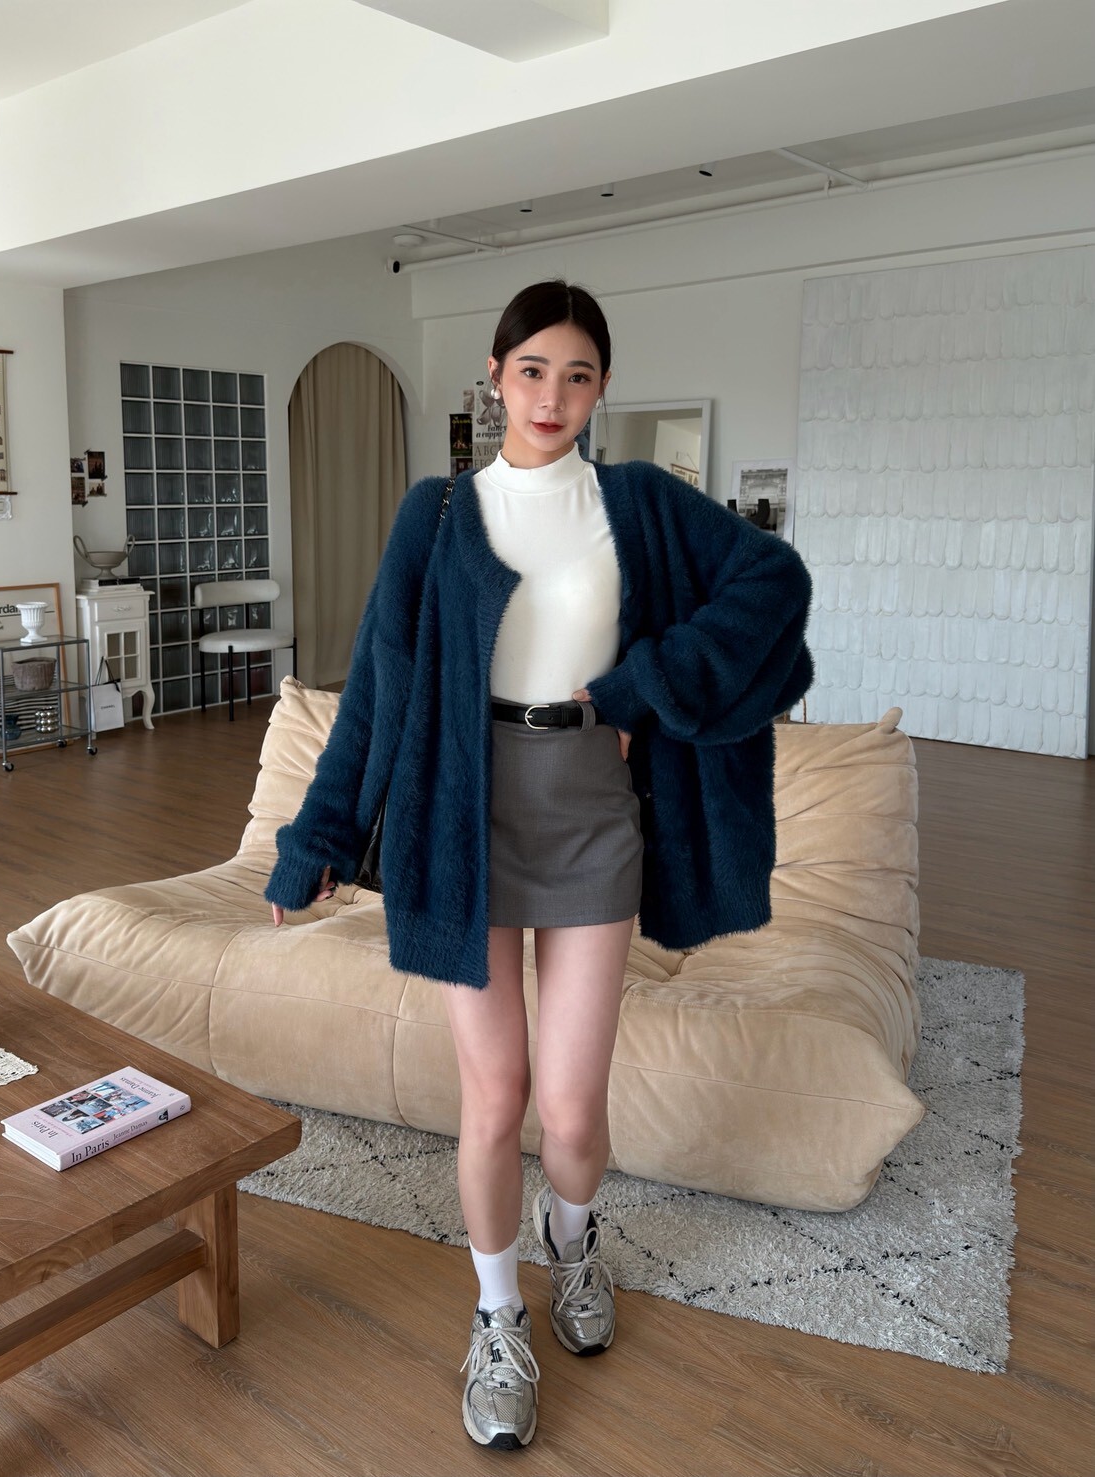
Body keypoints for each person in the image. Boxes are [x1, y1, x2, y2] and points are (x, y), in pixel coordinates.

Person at [265, 279, 813, 1451]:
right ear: (495, 377)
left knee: (568, 1109)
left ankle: (573, 1241)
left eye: (576, 374)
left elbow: (772, 581)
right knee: (495, 1095)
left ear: (601, 386)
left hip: (589, 820)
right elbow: (379, 683)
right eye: (531, 371)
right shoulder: (437, 513)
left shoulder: (641, 503)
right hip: (458, 816)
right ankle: (497, 1317)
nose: (551, 396)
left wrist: (640, 687)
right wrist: (316, 838)